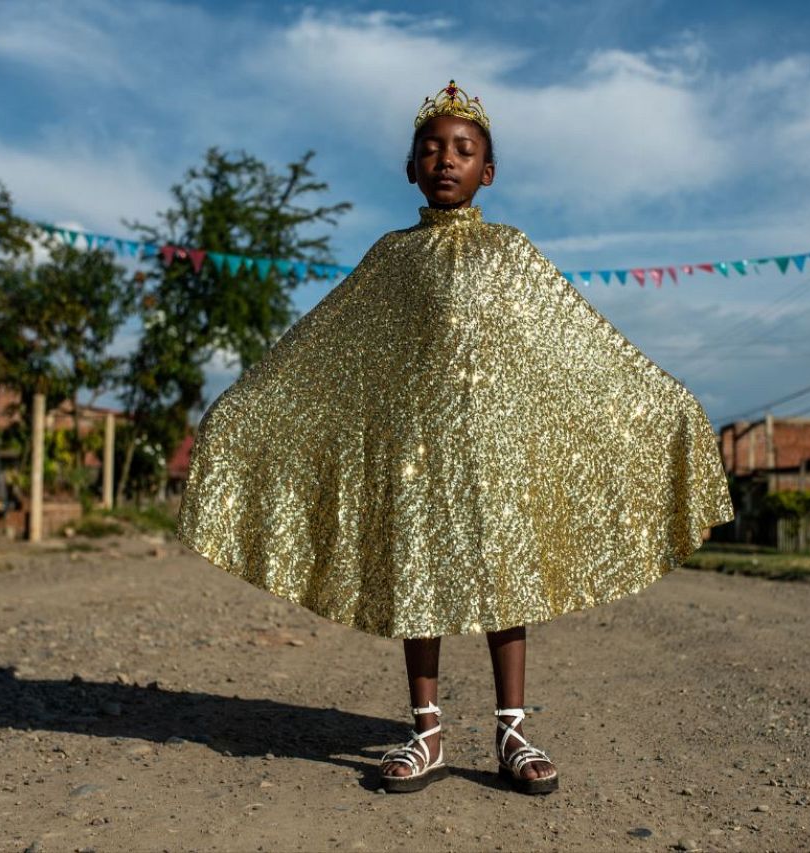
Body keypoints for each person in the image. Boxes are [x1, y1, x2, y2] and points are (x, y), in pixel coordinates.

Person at [176, 80, 734, 796]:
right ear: (411, 168)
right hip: (416, 459)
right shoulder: (390, 259)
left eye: (464, 150)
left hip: (498, 457)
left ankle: (512, 732)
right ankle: (427, 732)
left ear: (487, 172)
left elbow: (575, 343)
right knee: (418, 586)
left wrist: (667, 404)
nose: (447, 160)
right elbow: (326, 348)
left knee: (509, 584)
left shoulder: (511, 254)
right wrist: (245, 408)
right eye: (431, 149)